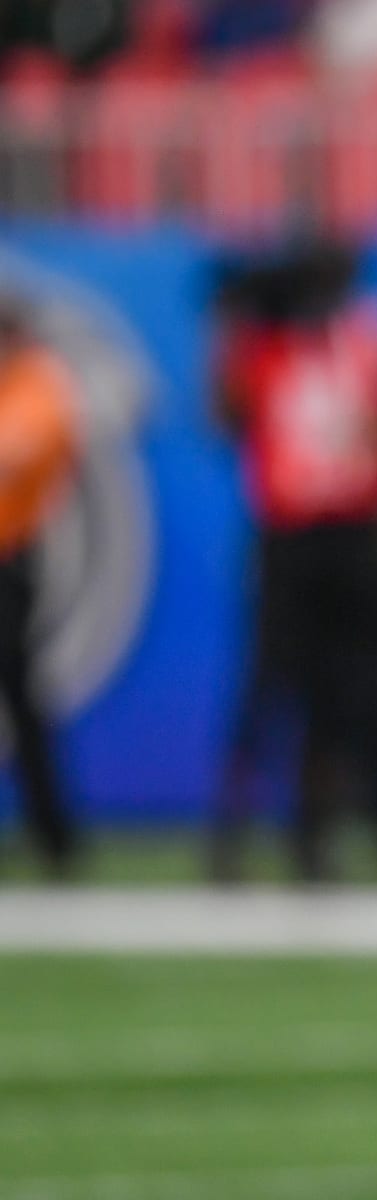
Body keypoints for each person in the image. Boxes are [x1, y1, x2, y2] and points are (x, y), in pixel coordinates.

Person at [211, 241, 377, 883]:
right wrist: (230, 324)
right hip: (288, 535)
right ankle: (231, 832)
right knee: (267, 687)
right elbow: (227, 417)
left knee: (342, 694)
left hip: (354, 532)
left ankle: (313, 837)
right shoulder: (266, 344)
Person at [0, 297, 79, 876]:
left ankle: (55, 837)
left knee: (22, 699)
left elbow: (16, 453)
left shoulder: (37, 383)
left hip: (8, 560)